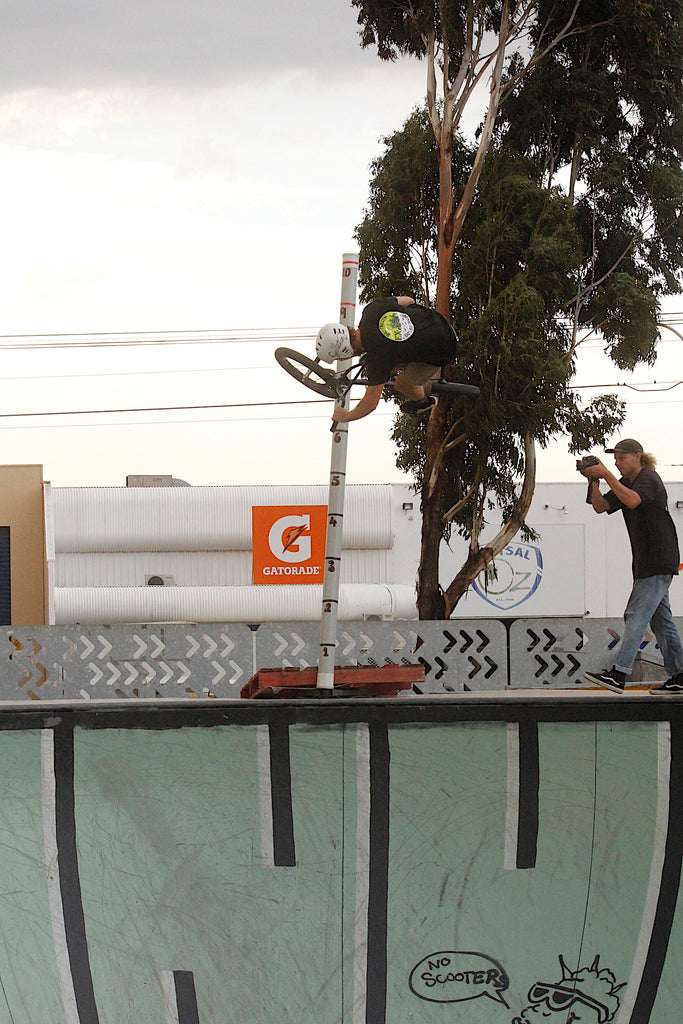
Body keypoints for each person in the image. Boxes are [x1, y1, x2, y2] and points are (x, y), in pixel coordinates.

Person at [580, 438, 683, 695]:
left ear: (637, 456)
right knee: (662, 623)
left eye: (621, 458)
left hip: (658, 559)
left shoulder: (649, 478)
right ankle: (680, 675)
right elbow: (600, 507)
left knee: (635, 615)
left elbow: (634, 501)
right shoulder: (625, 482)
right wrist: (593, 479)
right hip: (646, 561)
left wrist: (606, 474)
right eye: (614, 459)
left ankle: (618, 673)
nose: (617, 463)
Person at [316, 295, 457, 422]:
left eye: (339, 358)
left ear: (343, 351)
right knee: (397, 354)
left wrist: (345, 416)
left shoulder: (377, 359)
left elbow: (370, 404)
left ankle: (423, 402)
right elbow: (409, 300)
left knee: (401, 384)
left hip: (445, 347)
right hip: (438, 320)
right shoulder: (371, 310)